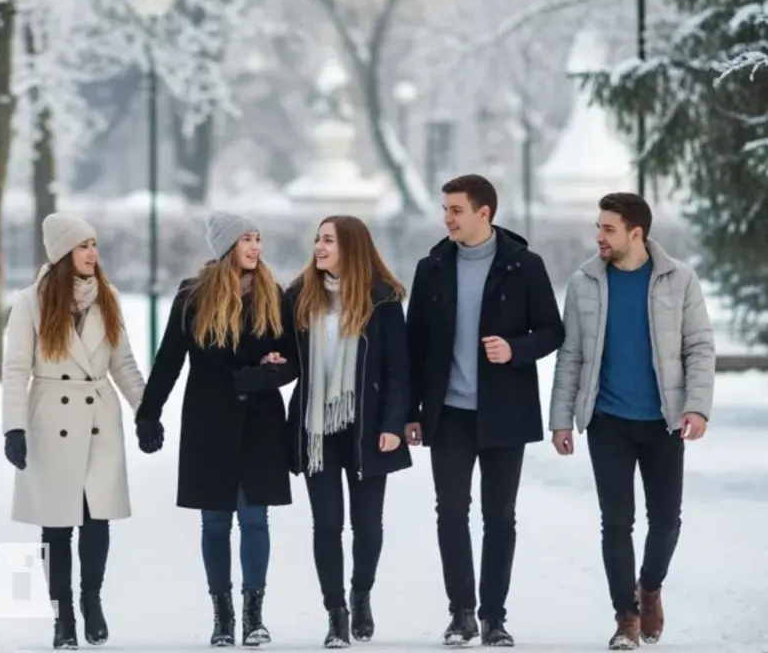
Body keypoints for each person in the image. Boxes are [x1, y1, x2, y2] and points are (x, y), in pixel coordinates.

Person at [548, 192, 714, 650]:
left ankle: (650, 587)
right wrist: (561, 419)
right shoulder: (584, 282)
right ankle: (626, 618)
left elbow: (699, 347)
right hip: (609, 422)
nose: (599, 236)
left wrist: (697, 406)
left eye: (608, 229)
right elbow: (571, 355)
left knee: (667, 521)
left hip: (663, 422)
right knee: (616, 522)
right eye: (598, 227)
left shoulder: (679, 280)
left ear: (635, 233)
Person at [404, 174, 564, 646]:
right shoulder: (431, 268)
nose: (447, 218)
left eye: (456, 210)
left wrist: (515, 349)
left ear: (484, 213)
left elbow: (552, 331)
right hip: (449, 413)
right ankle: (462, 614)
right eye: (445, 210)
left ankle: (494, 617)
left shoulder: (524, 265)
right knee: (451, 513)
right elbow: (414, 345)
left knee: (499, 516)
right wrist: (411, 411)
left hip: (505, 412)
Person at [134, 211, 292, 648]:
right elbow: (169, 359)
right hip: (209, 423)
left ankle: (253, 616)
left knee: (255, 519)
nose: (255, 247)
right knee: (216, 522)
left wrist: (264, 375)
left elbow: (293, 360)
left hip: (260, 423)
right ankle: (223, 618)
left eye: (258, 238)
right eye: (246, 239)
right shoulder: (193, 297)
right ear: (226, 247)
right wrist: (148, 414)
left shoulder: (274, 294)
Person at [1, 213, 148, 650]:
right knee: (57, 525)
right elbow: (16, 369)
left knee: (97, 517)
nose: (93, 254)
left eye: (94, 245)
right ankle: (62, 614)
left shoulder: (108, 297)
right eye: (84, 246)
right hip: (51, 419)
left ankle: (91, 599)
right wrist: (14, 428)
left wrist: (146, 413)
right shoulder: (31, 302)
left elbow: (123, 364)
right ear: (64, 252)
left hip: (99, 416)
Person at [278, 215, 413, 648]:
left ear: (351, 247)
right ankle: (336, 613)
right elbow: (287, 356)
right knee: (327, 524)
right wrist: (269, 363)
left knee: (368, 526)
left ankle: (361, 593)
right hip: (317, 429)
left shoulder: (382, 299)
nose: (319, 247)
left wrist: (393, 424)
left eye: (329, 240)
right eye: (317, 239)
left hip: (368, 428)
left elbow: (398, 369)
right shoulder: (299, 296)